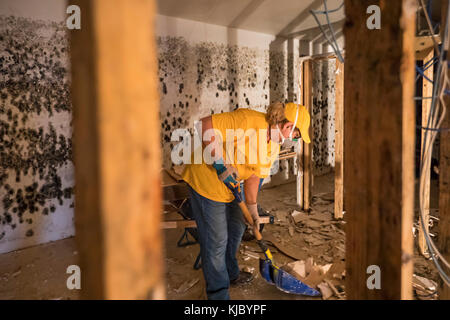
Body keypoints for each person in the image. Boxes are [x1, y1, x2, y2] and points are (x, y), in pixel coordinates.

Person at [181, 102, 311, 300]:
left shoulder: (273, 146)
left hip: (232, 182)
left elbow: (254, 176)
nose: (295, 140)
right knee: (217, 241)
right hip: (206, 181)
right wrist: (221, 164)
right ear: (288, 126)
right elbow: (203, 126)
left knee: (237, 226)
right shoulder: (247, 120)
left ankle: (231, 273)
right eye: (297, 135)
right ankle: (218, 295)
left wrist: (253, 210)